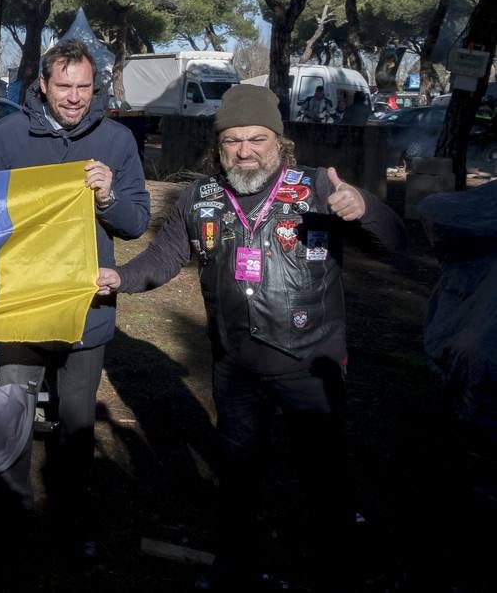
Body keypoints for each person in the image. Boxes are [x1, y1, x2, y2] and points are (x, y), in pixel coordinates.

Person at [96, 85, 405, 590]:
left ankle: (336, 564)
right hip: (235, 367)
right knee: (239, 475)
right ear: (218, 146)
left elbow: (394, 241)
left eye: (256, 139)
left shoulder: (317, 191)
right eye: (232, 140)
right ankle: (235, 563)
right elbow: (165, 257)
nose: (244, 150)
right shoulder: (200, 197)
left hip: (310, 366)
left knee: (323, 476)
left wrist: (364, 206)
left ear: (279, 142)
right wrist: (121, 279)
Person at [0, 39, 150, 559]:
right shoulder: (7, 136)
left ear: (94, 87)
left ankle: (72, 518)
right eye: (63, 86)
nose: (73, 97)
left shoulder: (117, 140)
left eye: (83, 87)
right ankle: (12, 514)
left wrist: (109, 195)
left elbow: (137, 222)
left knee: (76, 426)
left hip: (86, 311)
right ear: (44, 85)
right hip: (22, 307)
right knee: (12, 418)